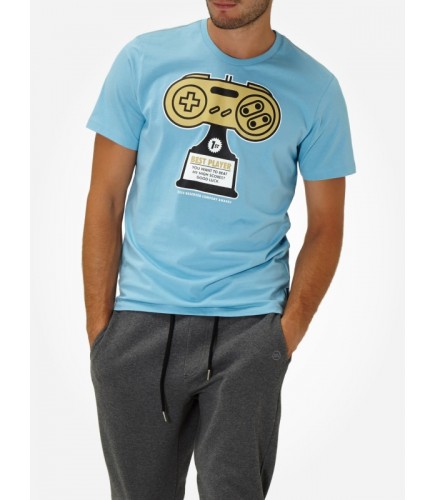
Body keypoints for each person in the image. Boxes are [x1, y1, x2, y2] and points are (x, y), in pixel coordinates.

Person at [82, 0, 356, 498]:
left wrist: (281, 338)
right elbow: (105, 198)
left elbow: (327, 227)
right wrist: (101, 334)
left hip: (248, 332)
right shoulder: (143, 60)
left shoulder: (316, 90)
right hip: (139, 323)